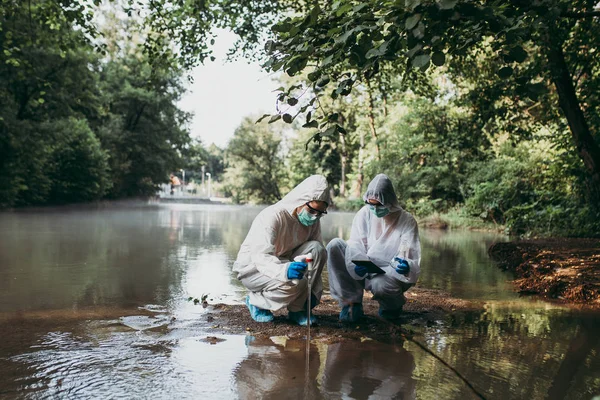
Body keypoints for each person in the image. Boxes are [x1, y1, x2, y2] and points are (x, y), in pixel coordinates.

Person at [233, 175, 330, 326]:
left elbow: (316, 252)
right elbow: (261, 256)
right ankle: (257, 302)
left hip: (284, 261)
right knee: (297, 283)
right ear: (301, 201)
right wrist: (284, 270)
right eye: (312, 210)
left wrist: (292, 267)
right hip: (253, 268)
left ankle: (297, 309)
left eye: (320, 213)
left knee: (318, 250)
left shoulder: (312, 221)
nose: (315, 216)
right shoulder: (273, 216)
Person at [326, 174, 421, 322]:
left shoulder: (406, 221)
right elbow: (356, 243)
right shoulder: (365, 213)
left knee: (380, 285)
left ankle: (391, 307)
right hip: (366, 266)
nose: (375, 209)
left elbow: (409, 251)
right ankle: (351, 304)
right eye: (371, 204)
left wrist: (406, 265)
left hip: (389, 273)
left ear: (389, 201)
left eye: (379, 205)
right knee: (335, 245)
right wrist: (354, 263)